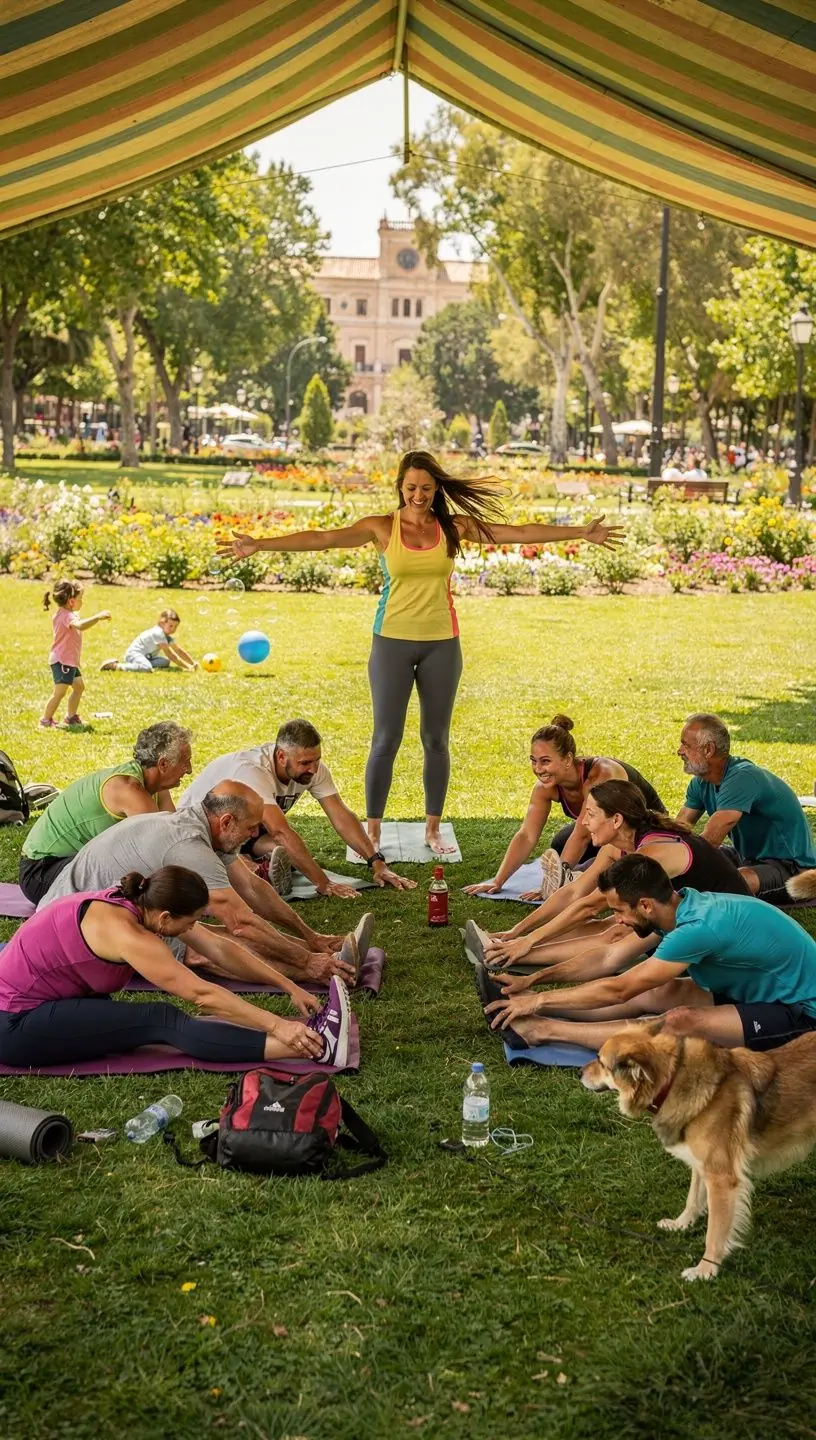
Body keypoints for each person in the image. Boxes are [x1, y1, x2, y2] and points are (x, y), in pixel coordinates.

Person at [220, 450, 623, 855]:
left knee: (435, 740)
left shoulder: (453, 527)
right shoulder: (382, 527)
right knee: (385, 740)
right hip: (391, 642)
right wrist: (260, 544)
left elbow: (515, 531)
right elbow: (324, 539)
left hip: (442, 644)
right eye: (411, 487)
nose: (418, 495)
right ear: (400, 486)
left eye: (426, 488)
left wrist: (578, 532)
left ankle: (432, 828)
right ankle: (373, 829)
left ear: (436, 489)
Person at [0, 866, 349, 1069]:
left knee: (121, 1017)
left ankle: (306, 1041)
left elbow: (220, 948)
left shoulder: (140, 901)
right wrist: (280, 1026)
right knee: (160, 1019)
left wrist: (289, 985)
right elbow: (202, 994)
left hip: (41, 1001)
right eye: (191, 922)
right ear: (166, 917)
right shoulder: (130, 935)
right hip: (14, 1025)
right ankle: (311, 1047)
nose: (192, 929)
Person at [484, 854, 816, 1055]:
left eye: (618, 911)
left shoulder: (698, 927)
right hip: (760, 992)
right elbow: (607, 959)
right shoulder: (677, 906)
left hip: (802, 1013)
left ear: (644, 904)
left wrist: (539, 1002)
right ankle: (543, 1016)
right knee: (661, 992)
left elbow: (620, 987)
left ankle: (542, 1030)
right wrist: (533, 982)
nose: (617, 921)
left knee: (680, 1022)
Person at [37, 782, 357, 986]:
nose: (254, 835)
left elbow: (251, 889)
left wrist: (310, 938)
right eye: (251, 827)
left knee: (206, 935)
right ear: (227, 821)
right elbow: (241, 922)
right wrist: (306, 963)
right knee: (198, 947)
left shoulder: (206, 828)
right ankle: (319, 972)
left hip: (91, 908)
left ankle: (322, 961)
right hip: (66, 930)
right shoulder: (188, 844)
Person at [479, 779, 750, 980]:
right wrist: (518, 931)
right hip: (686, 913)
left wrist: (529, 942)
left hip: (732, 930)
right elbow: (575, 893)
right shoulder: (617, 845)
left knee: (616, 929)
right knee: (611, 924)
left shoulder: (652, 853)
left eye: (591, 815)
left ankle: (506, 956)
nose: (582, 823)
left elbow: (591, 905)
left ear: (617, 819)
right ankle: (505, 949)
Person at [178, 719, 416, 899]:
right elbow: (281, 830)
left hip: (242, 831)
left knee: (277, 844)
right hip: (198, 834)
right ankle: (251, 865)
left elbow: (340, 814)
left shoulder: (312, 769)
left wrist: (377, 862)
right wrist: (324, 883)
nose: (313, 769)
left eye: (317, 760)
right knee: (275, 842)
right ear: (281, 756)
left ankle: (259, 862)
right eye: (305, 763)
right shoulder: (252, 771)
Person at [464, 715, 665, 898]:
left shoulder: (600, 775)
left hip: (643, 830)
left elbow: (583, 834)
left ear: (568, 759)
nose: (538, 769)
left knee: (591, 860)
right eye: (533, 761)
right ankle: (584, 871)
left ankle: (586, 873)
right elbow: (527, 835)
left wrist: (554, 883)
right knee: (560, 844)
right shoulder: (546, 787)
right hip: (607, 830)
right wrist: (498, 881)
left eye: (545, 761)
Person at [19, 721, 193, 906]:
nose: (189, 770)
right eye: (185, 762)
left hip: (61, 866)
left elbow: (175, 837)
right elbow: (156, 853)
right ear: (163, 764)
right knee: (138, 880)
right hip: (41, 873)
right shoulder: (129, 790)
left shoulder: (155, 785)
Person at [676, 713, 816, 899]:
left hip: (790, 866)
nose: (679, 751)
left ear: (708, 750)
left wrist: (675, 863)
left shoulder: (742, 778)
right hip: (747, 857)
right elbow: (679, 829)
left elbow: (710, 841)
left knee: (734, 881)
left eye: (686, 744)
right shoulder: (701, 783)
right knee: (688, 868)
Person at [40, 579, 111, 729]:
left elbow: (77, 618)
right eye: (81, 599)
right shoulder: (67, 616)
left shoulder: (66, 613)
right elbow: (80, 625)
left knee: (78, 687)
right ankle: (45, 721)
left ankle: (71, 717)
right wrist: (98, 617)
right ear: (71, 601)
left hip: (69, 661)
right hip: (63, 661)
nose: (82, 602)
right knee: (59, 692)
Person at [100, 608, 197, 673]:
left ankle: (139, 664)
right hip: (134, 654)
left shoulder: (166, 636)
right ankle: (116, 666)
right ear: (162, 623)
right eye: (171, 626)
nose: (173, 629)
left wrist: (193, 663)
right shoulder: (158, 633)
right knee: (147, 668)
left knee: (165, 662)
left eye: (175, 626)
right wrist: (187, 667)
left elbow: (179, 651)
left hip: (147, 657)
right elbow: (171, 655)